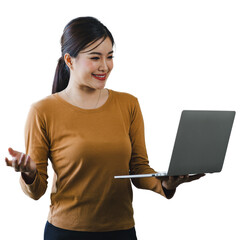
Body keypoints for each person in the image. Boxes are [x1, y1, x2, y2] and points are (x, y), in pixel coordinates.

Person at [5, 16, 205, 240]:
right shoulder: (42, 111)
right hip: (66, 233)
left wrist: (166, 184)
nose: (105, 66)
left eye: (110, 56)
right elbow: (37, 191)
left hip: (122, 232)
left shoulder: (129, 104)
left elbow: (138, 170)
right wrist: (30, 174)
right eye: (95, 57)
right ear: (69, 60)